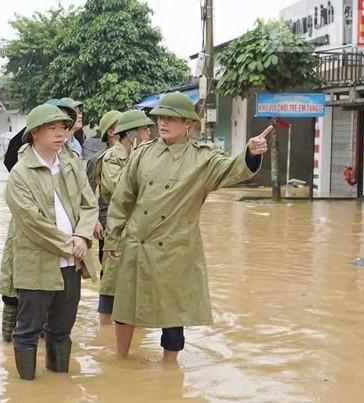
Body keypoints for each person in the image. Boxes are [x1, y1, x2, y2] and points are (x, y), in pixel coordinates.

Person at [104, 92, 271, 363]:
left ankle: (170, 370)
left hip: (175, 247)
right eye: (161, 118)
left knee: (172, 314)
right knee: (125, 307)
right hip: (137, 241)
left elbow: (231, 170)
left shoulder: (202, 158)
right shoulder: (142, 154)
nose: (164, 123)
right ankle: (120, 360)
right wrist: (113, 239)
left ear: (187, 123)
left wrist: (250, 154)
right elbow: (122, 198)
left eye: (171, 118)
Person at [5, 103, 98, 380]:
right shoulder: (20, 174)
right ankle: (27, 392)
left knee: (62, 329)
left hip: (71, 262)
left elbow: (89, 204)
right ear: (35, 133)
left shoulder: (71, 164)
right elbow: (32, 223)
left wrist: (82, 236)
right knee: (28, 330)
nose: (60, 134)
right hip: (36, 265)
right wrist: (70, 244)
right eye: (52, 128)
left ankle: (59, 385)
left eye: (64, 128)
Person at [97, 109, 154, 326]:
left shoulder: (135, 156)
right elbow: (119, 187)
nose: (149, 133)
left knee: (135, 283)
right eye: (144, 129)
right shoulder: (114, 156)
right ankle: (105, 334)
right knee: (111, 283)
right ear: (132, 135)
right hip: (118, 228)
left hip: (138, 228)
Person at [88, 109, 122, 269]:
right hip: (106, 220)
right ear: (111, 131)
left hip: (129, 222)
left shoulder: (134, 156)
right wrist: (93, 222)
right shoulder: (96, 160)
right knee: (109, 267)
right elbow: (87, 193)